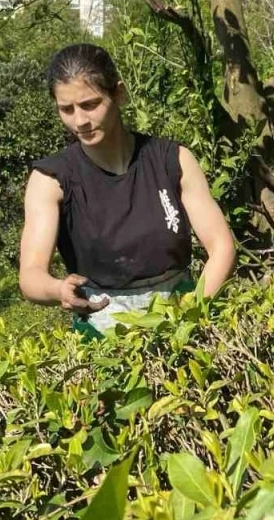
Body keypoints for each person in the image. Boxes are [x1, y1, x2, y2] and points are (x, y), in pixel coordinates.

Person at [18, 44, 237, 338]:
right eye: (66, 109)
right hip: (101, 332)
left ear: (119, 94)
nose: (80, 121)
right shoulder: (50, 180)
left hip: (183, 319)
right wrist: (58, 289)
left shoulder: (172, 160)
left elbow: (222, 247)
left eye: (90, 104)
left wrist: (188, 319)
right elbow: (30, 275)